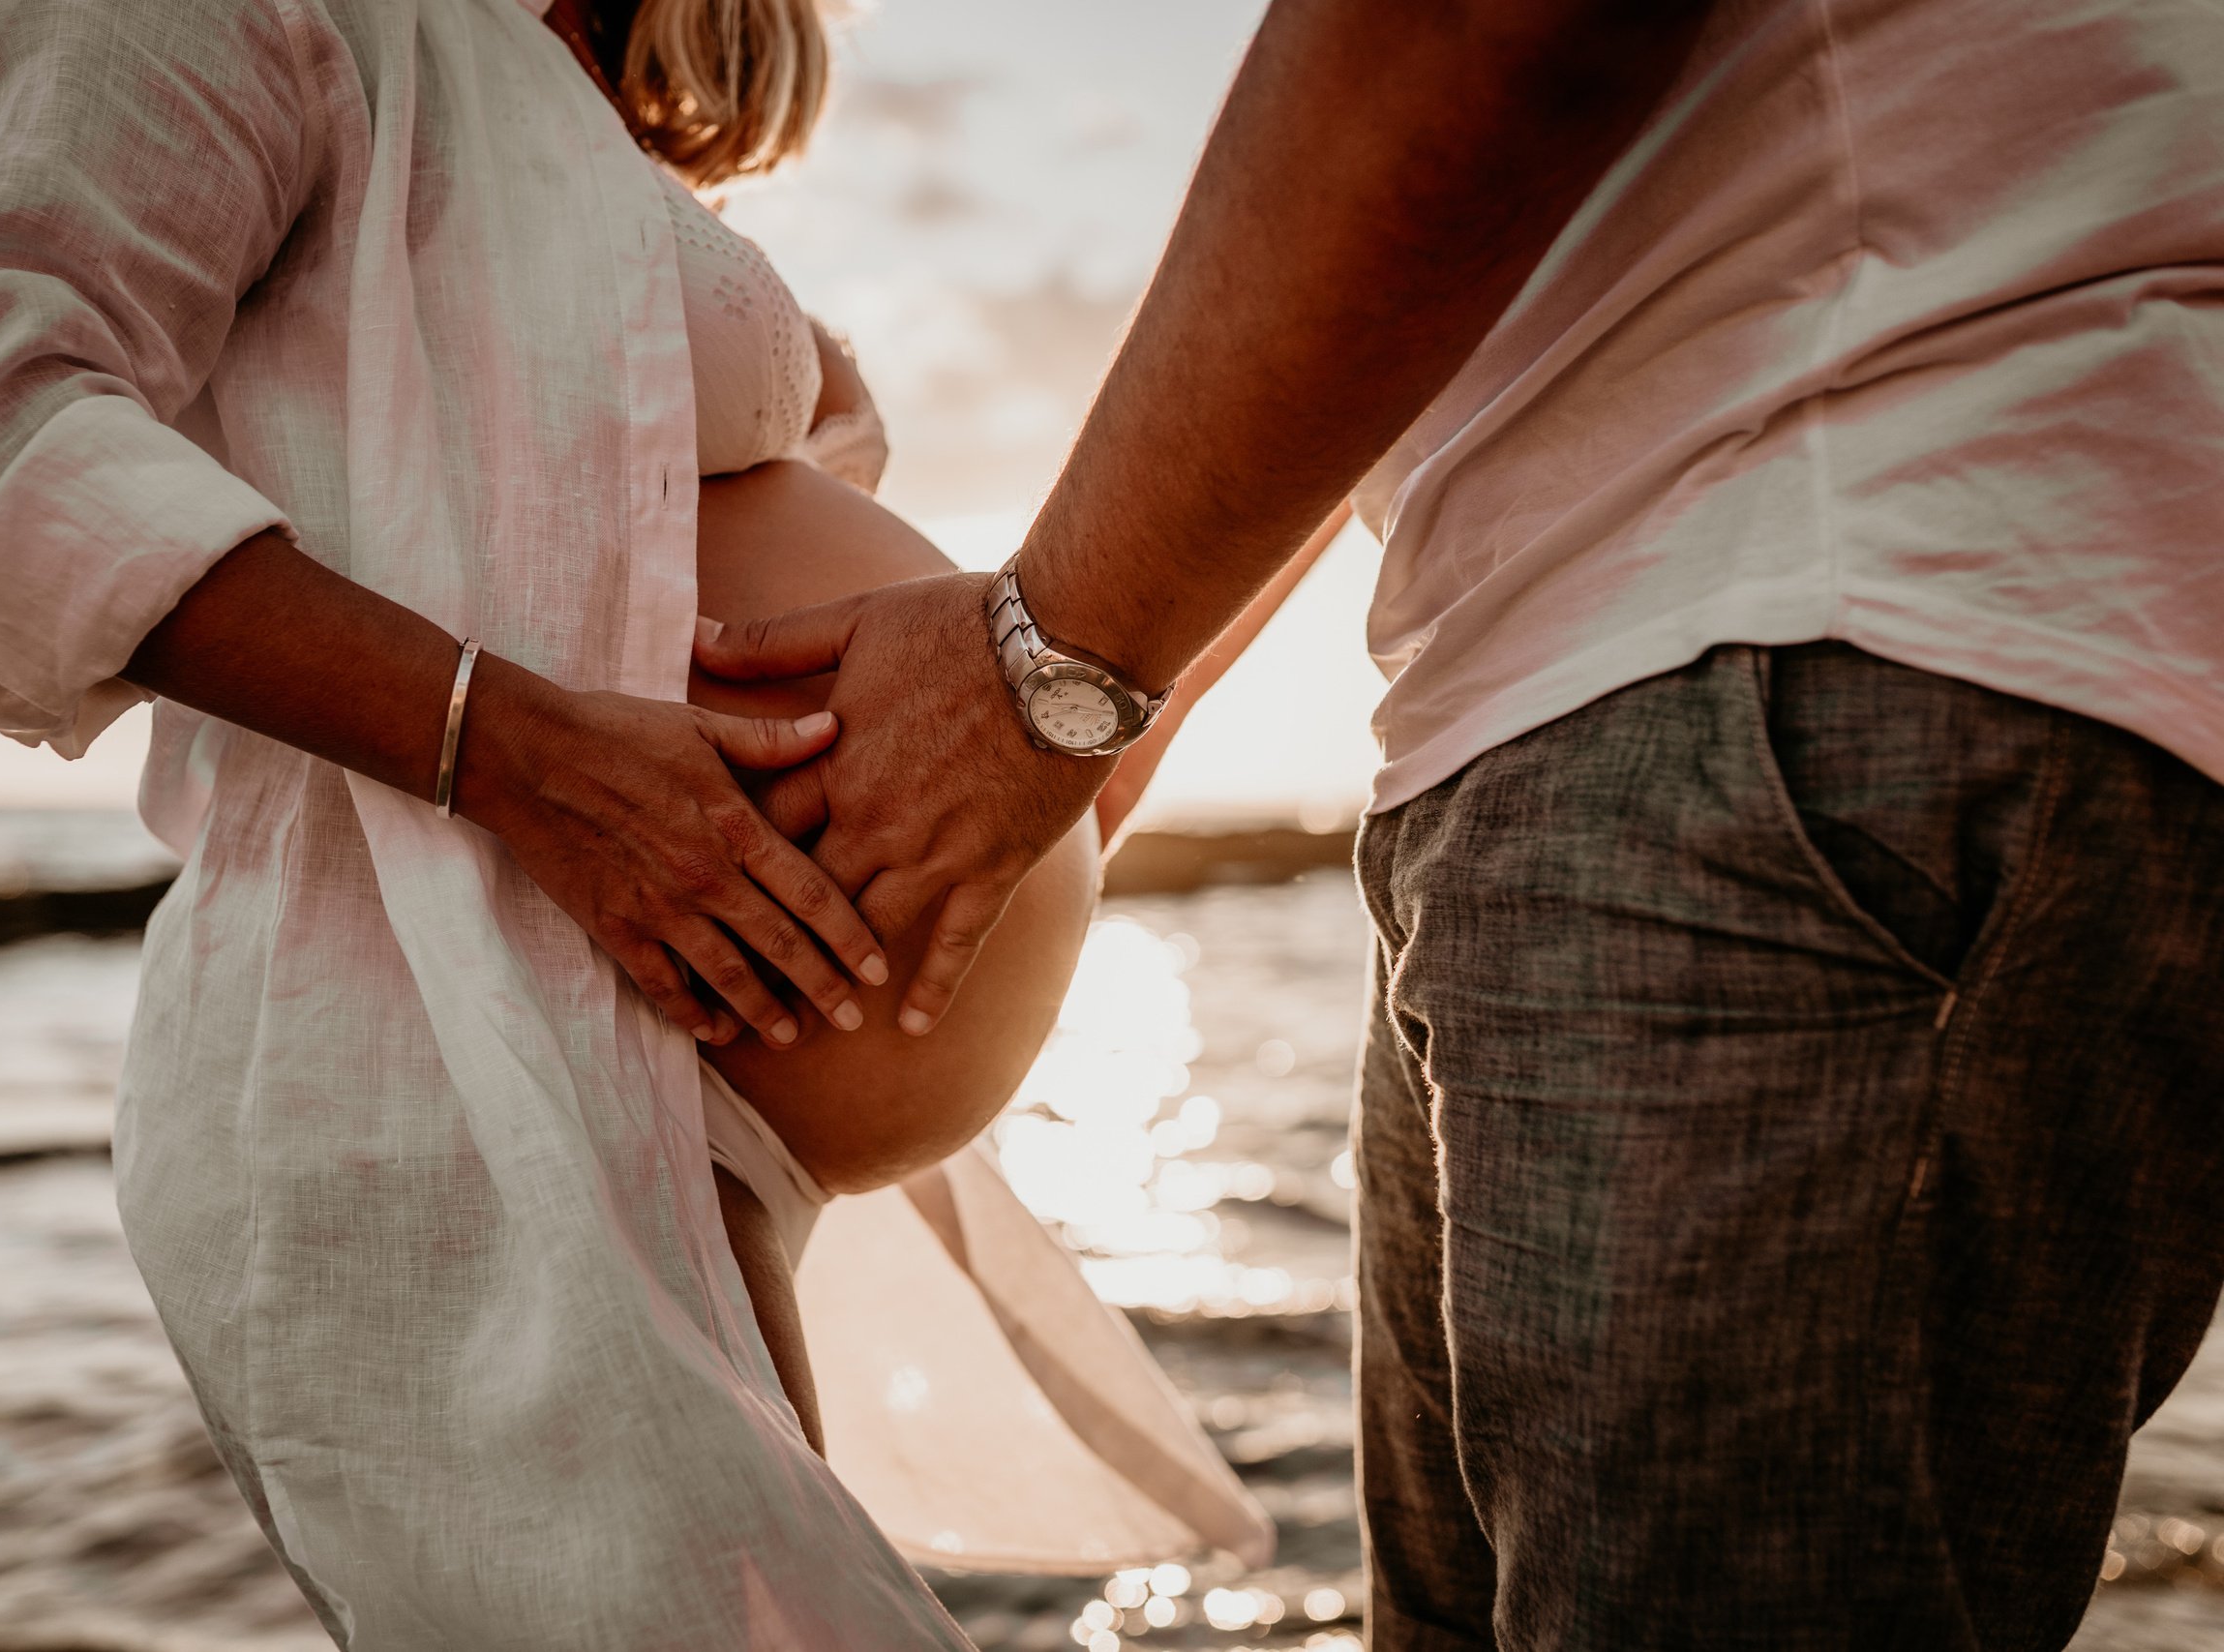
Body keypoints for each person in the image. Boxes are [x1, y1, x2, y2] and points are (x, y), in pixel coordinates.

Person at [694, 0, 2224, 1645]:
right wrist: (1121, 696)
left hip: (1807, 655)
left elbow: (1483, 32)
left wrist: (1047, 663)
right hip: (1612, 707)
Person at [0, 0, 1277, 1641]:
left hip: (674, 1121)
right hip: (449, 1070)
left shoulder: (569, 93)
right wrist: (514, 751)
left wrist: (1051, 757)